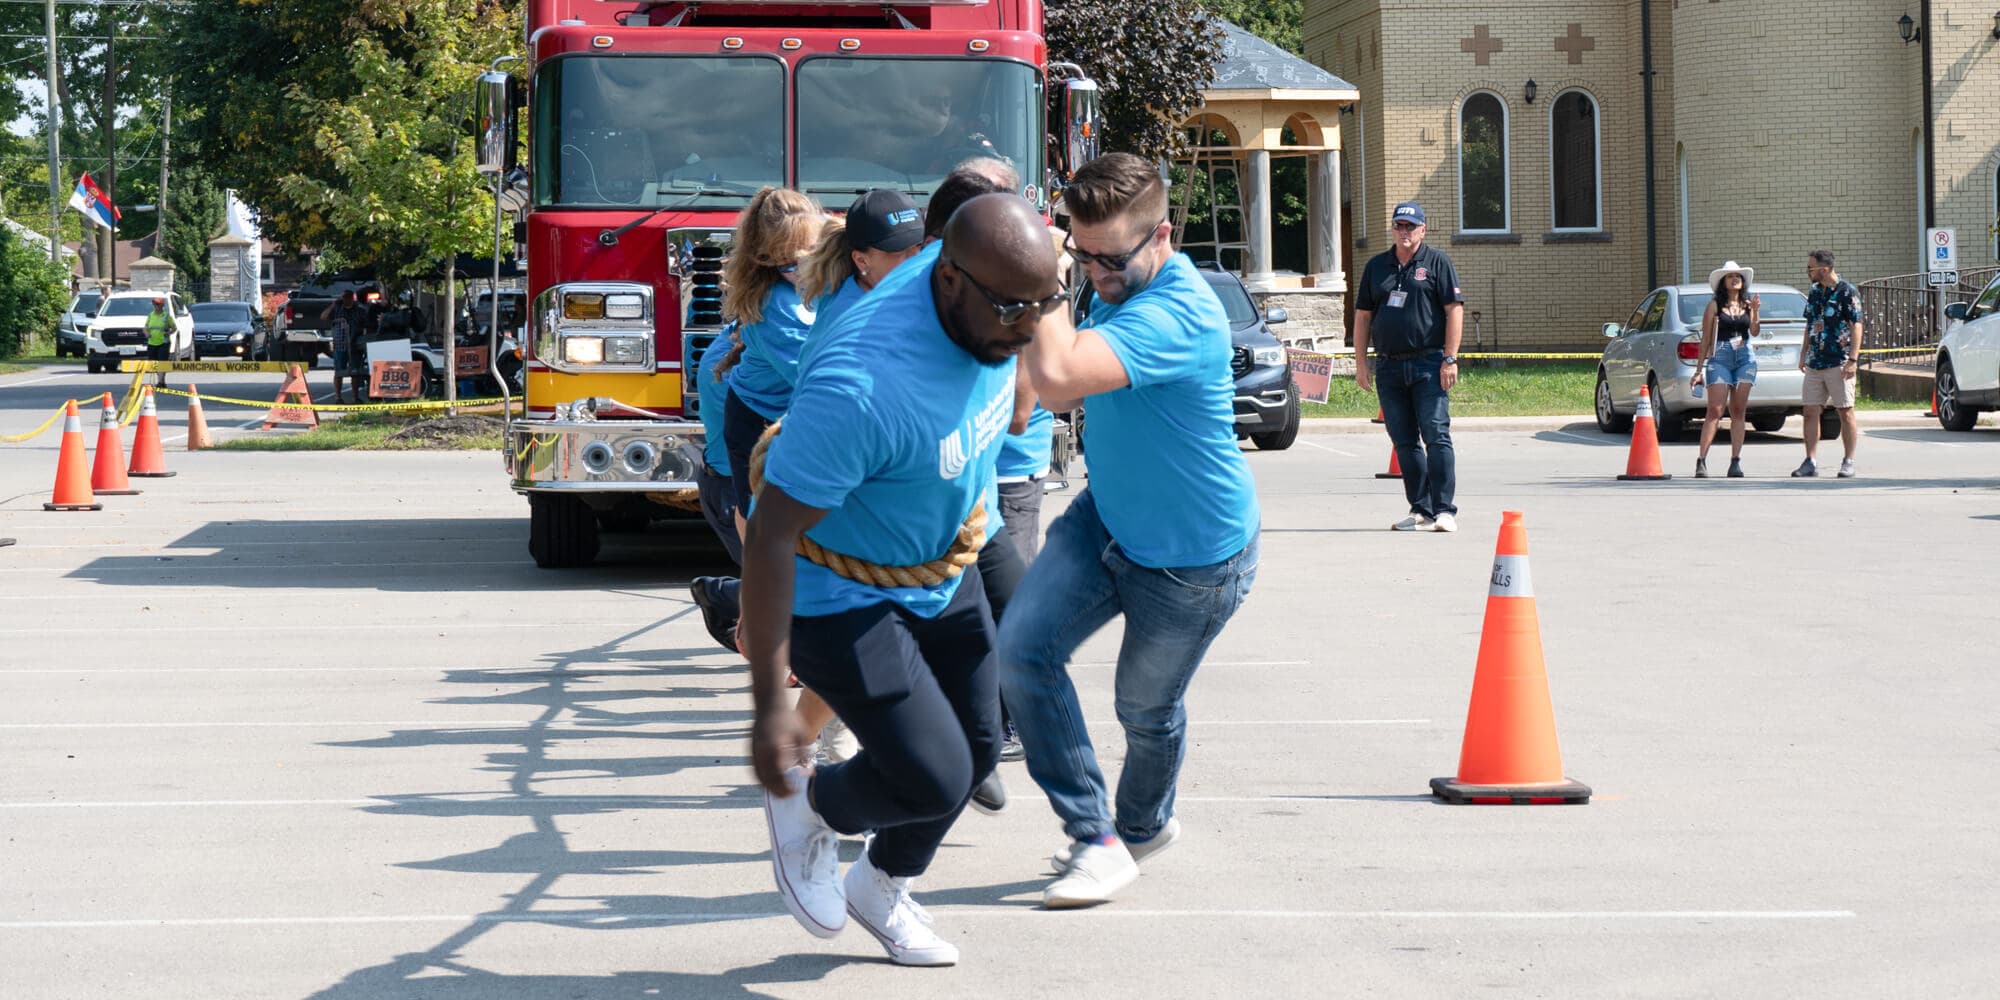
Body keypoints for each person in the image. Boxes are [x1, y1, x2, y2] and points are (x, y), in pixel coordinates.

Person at [743, 194, 1059, 965]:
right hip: (840, 597)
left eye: (1045, 304)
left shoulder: (983, 290)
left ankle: (879, 885)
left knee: (980, 751)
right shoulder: (863, 387)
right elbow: (775, 534)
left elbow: (972, 192)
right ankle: (805, 801)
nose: (1030, 329)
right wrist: (765, 710)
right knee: (931, 776)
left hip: (938, 562)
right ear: (948, 279)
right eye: (1013, 309)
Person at [999, 152, 1261, 908]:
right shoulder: (1115, 287)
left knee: (1143, 710)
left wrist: (1043, 278)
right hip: (1105, 517)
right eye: (1083, 254)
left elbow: (1061, 377)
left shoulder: (1179, 311)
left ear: (1163, 235)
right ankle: (1096, 836)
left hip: (1192, 559)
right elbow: (1040, 390)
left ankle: (1140, 825)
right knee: (1021, 651)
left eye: (1111, 258)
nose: (1097, 273)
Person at [1353, 201, 1464, 531]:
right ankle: (1420, 509)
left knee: (1436, 434)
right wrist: (1362, 363)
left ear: (1423, 230)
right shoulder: (1377, 267)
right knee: (1403, 440)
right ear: (1392, 228)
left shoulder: (1436, 262)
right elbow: (1362, 317)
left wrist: (1450, 357)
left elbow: (1454, 310)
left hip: (1429, 363)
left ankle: (1444, 510)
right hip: (1389, 367)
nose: (1404, 232)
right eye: (1399, 226)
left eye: (1411, 226)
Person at [1795, 249, 1863, 478]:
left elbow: (1856, 325)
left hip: (1839, 361)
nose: (1808, 272)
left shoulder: (1847, 291)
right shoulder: (1814, 291)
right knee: (1810, 410)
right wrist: (1804, 352)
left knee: (1845, 411)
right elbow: (1810, 322)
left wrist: (1853, 359)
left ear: (1824, 269)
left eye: (1810, 268)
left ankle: (1849, 460)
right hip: (1816, 361)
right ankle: (1810, 461)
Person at [1693, 262, 1761, 478]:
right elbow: (1705, 339)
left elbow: (1755, 331)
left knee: (1739, 410)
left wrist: (1756, 312)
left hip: (1745, 357)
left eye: (1737, 276)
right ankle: (1702, 459)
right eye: (1730, 276)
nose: (1735, 279)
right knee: (1715, 410)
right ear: (1723, 282)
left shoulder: (1748, 305)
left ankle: (1735, 461)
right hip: (1720, 356)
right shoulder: (1714, 305)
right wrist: (1698, 370)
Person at [320, 292, 366, 403]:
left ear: (352, 298)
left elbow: (366, 323)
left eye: (349, 297)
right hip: (340, 344)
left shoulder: (358, 310)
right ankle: (338, 397)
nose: (347, 299)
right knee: (339, 371)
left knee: (354, 372)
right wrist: (333, 305)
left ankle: (356, 397)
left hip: (355, 344)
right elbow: (323, 317)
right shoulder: (337, 310)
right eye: (345, 297)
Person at [143, 297, 173, 386]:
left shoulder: (167, 316)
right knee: (154, 363)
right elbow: (145, 328)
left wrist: (168, 333)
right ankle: (162, 381)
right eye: (154, 304)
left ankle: (160, 381)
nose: (156, 306)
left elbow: (174, 328)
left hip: (164, 343)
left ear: (162, 306)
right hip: (152, 343)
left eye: (158, 304)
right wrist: (146, 334)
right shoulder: (150, 315)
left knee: (162, 363)